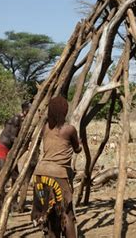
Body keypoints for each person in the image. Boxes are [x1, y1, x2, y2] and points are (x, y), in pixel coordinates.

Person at [32, 96, 82, 237]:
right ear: (64, 111)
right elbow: (77, 149)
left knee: (50, 213)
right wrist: (80, 145)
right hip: (58, 175)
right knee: (67, 213)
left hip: (40, 176)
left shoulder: (45, 128)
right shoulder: (69, 130)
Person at [0, 100, 31, 211]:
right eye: (29, 110)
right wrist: (24, 142)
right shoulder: (16, 119)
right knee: (3, 177)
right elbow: (12, 138)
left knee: (15, 175)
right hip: (2, 147)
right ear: (25, 110)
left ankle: (14, 203)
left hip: (10, 151)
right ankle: (1, 207)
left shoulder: (21, 120)